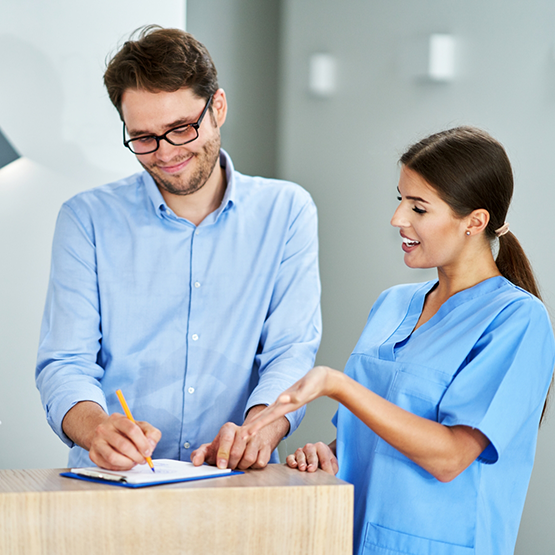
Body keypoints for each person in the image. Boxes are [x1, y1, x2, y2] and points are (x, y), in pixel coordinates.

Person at [242, 126, 555, 555]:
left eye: (419, 208)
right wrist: (330, 453)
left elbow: (450, 457)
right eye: (400, 200)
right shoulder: (392, 304)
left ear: (475, 221)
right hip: (348, 539)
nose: (397, 219)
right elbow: (377, 433)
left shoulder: (517, 321)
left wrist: (338, 385)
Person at [35, 25, 321, 472]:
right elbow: (65, 362)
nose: (165, 153)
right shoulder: (86, 219)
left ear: (218, 107)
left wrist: (259, 429)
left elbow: (290, 352)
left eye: (181, 129)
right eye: (144, 137)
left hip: (236, 479)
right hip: (116, 483)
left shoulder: (286, 211)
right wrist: (96, 429)